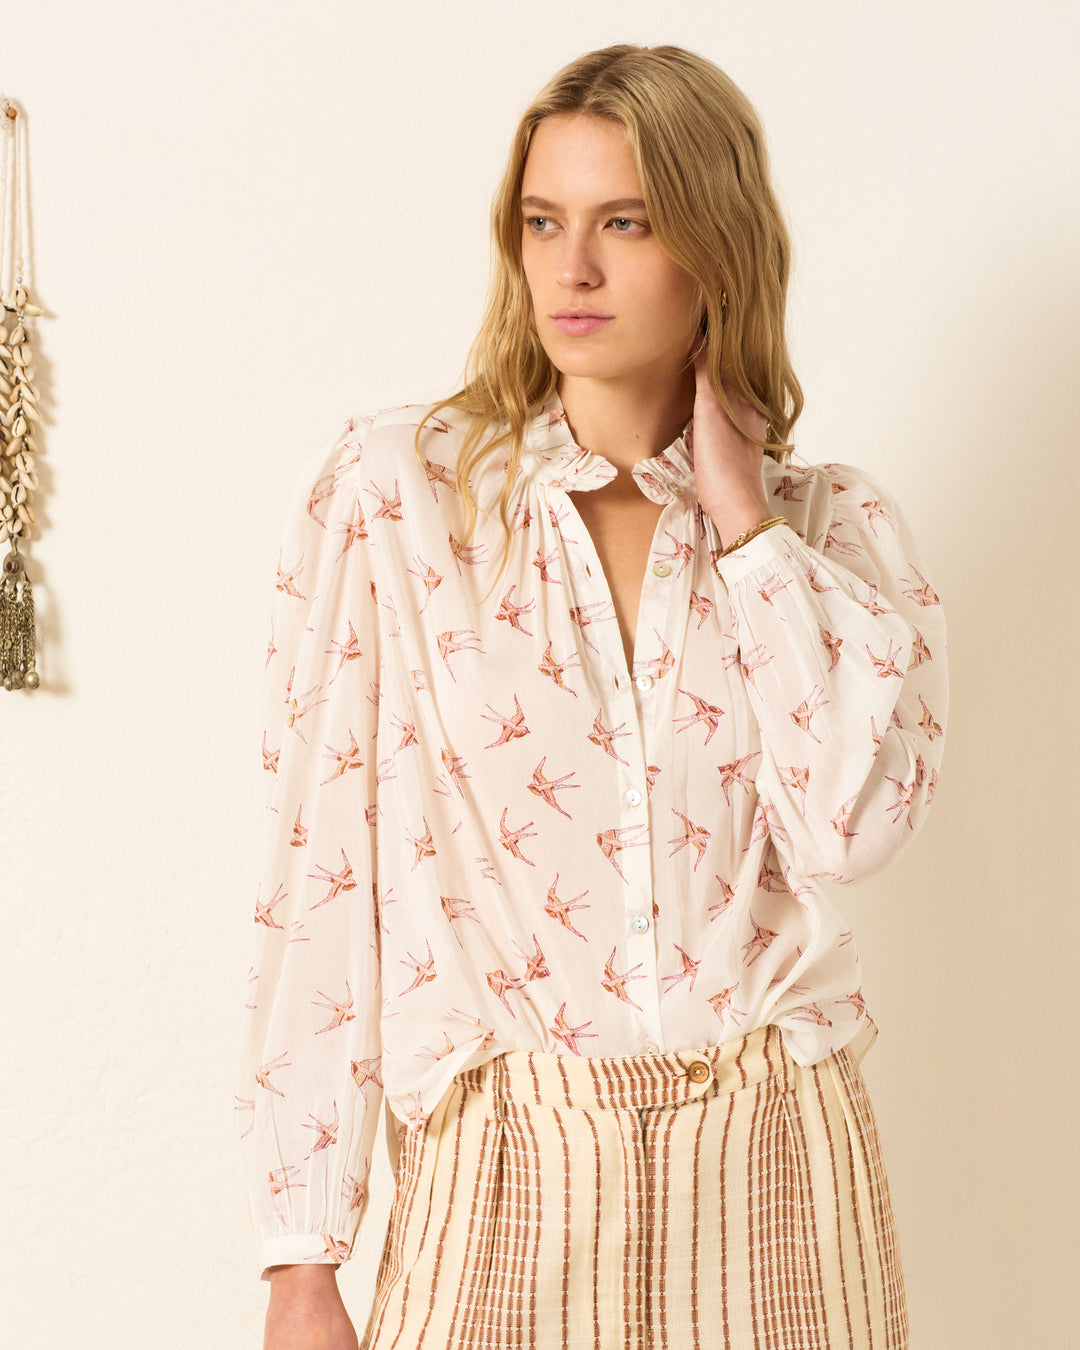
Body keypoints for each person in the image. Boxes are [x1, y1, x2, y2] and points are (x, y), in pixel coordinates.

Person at [239, 43, 946, 1350]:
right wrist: (303, 1251)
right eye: (543, 223)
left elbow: (851, 827)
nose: (571, 269)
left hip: (777, 1163)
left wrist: (743, 526)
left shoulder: (828, 533)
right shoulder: (405, 497)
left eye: (626, 222)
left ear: (716, 250)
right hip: (508, 1165)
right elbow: (324, 863)